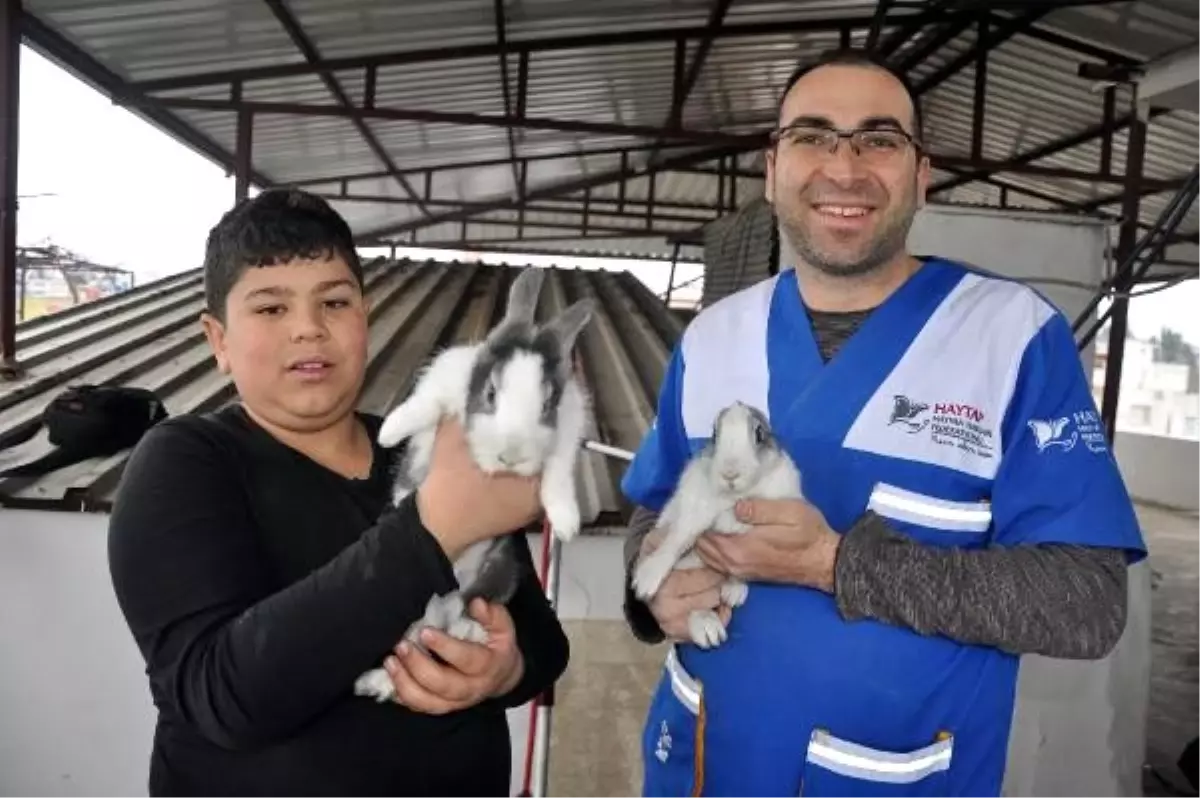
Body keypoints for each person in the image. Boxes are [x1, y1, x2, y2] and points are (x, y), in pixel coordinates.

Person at [619, 49, 1146, 798]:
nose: (844, 167)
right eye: (812, 136)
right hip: (704, 757)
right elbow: (653, 505)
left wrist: (836, 564)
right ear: (772, 170)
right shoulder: (713, 335)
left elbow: (1087, 606)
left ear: (920, 173)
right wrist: (651, 590)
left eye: (879, 139)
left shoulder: (1012, 337)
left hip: (893, 776)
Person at [106, 188, 569, 798]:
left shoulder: (428, 451)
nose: (309, 329)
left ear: (364, 317)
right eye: (271, 309)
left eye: (334, 301)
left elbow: (541, 639)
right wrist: (433, 528)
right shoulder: (186, 462)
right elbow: (224, 696)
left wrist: (506, 668)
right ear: (218, 340)